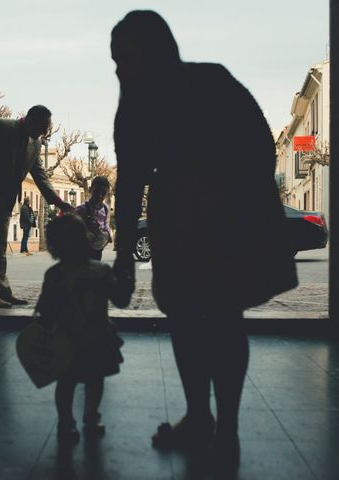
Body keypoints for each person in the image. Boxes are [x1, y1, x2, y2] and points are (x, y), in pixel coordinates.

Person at [110, 10, 298, 475]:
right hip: (175, 222)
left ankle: (226, 431)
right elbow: (130, 181)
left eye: (126, 59)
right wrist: (123, 259)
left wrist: (225, 196)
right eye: (115, 62)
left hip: (227, 220)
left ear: (154, 53)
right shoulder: (132, 105)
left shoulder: (212, 83)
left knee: (222, 319)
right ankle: (199, 418)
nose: (118, 71)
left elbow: (260, 147)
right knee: (186, 321)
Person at [0, 105, 73, 307]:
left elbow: (40, 176)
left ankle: (3, 291)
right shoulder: (0, 126)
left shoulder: (36, 143)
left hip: (5, 199)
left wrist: (58, 202)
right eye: (43, 127)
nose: (44, 133)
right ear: (30, 120)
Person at [36, 214, 125, 445]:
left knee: (66, 383)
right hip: (98, 335)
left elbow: (45, 311)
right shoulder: (102, 271)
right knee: (96, 380)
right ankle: (91, 417)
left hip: (66, 338)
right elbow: (119, 298)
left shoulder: (54, 275)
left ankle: (66, 422)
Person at [74, 176, 113, 260]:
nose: (99, 196)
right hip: (83, 248)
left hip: (98, 248)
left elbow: (105, 223)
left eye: (103, 193)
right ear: (90, 189)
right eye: (96, 192)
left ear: (107, 193)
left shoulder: (105, 208)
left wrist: (108, 233)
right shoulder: (82, 209)